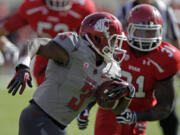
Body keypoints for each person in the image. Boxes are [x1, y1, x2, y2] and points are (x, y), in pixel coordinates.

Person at [6, 12, 135, 135]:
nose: (116, 46)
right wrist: (23, 66)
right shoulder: (75, 47)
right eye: (113, 41)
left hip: (57, 125)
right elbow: (34, 43)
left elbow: (114, 108)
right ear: (97, 38)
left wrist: (127, 94)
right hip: (38, 117)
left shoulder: (111, 68)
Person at [77, 5, 180, 135]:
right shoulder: (116, 44)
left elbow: (165, 107)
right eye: (140, 31)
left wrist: (136, 116)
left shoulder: (166, 57)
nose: (145, 37)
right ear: (129, 29)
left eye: (151, 32)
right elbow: (96, 80)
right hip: (111, 107)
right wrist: (85, 107)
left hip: (140, 112)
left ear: (160, 32)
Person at [115, 0, 180, 134]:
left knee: (170, 117)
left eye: (149, 32)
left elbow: (174, 38)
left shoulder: (164, 10)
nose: (144, 38)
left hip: (159, 64)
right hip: (129, 60)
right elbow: (114, 34)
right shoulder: (124, 10)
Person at [0, 0, 96, 86]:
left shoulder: (84, 7)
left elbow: (94, 40)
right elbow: (3, 30)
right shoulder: (31, 5)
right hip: (45, 63)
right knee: (48, 102)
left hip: (74, 61)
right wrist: (6, 46)